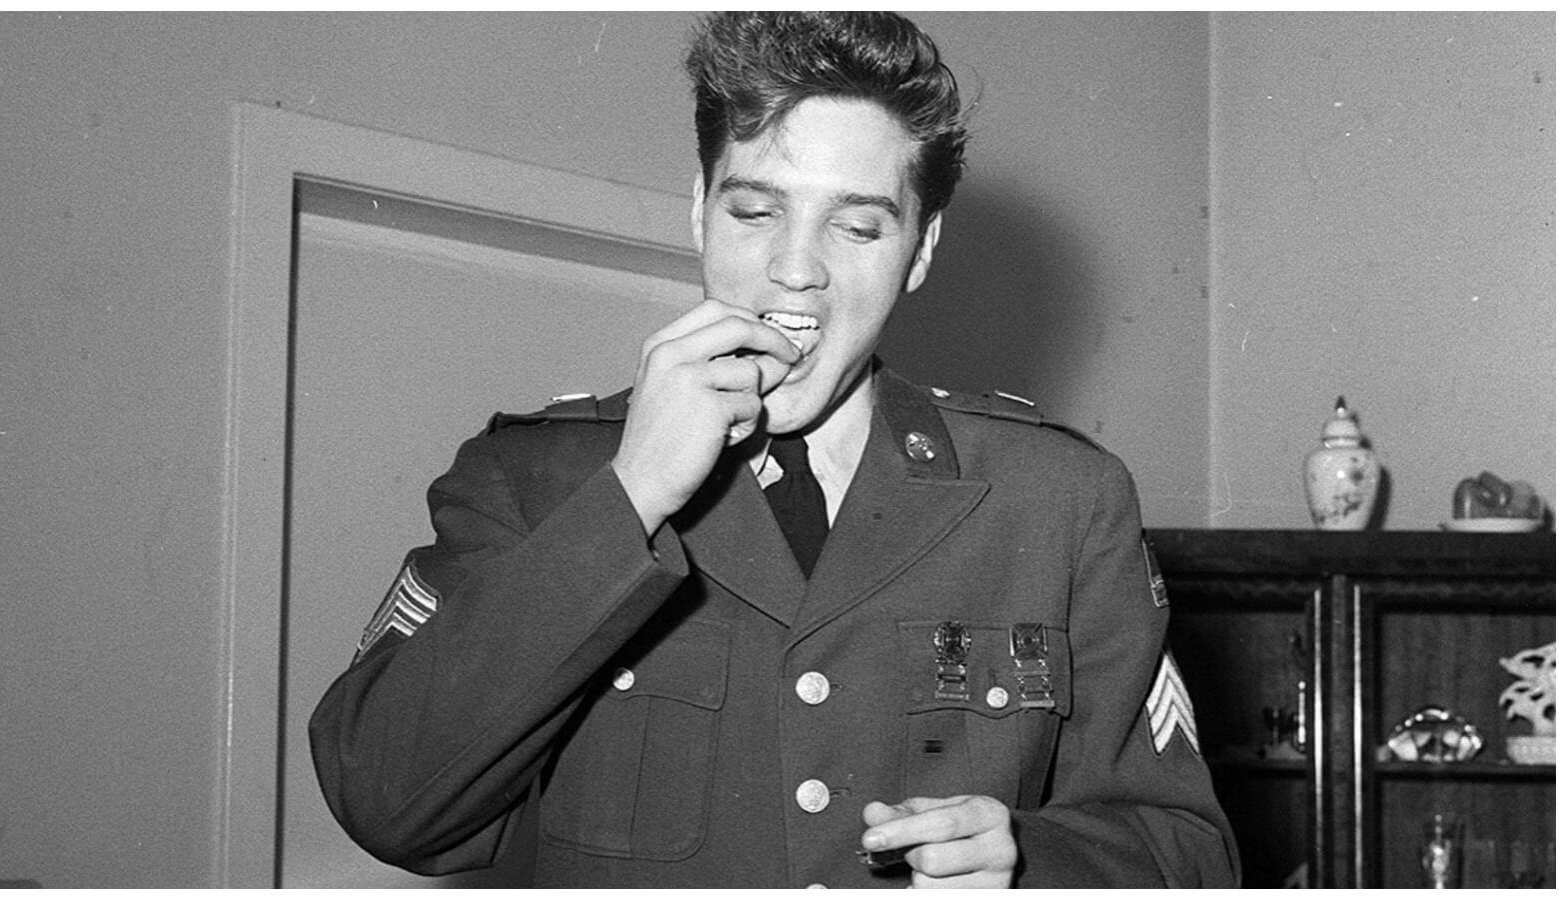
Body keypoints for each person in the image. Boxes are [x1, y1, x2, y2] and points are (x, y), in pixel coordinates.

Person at [310, 11, 1239, 889]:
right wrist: (629, 496)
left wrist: (1031, 862)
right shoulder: (531, 478)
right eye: (756, 212)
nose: (797, 267)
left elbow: (1188, 850)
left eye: (857, 224)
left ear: (919, 251)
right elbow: (387, 803)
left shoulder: (1059, 500)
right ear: (699, 212)